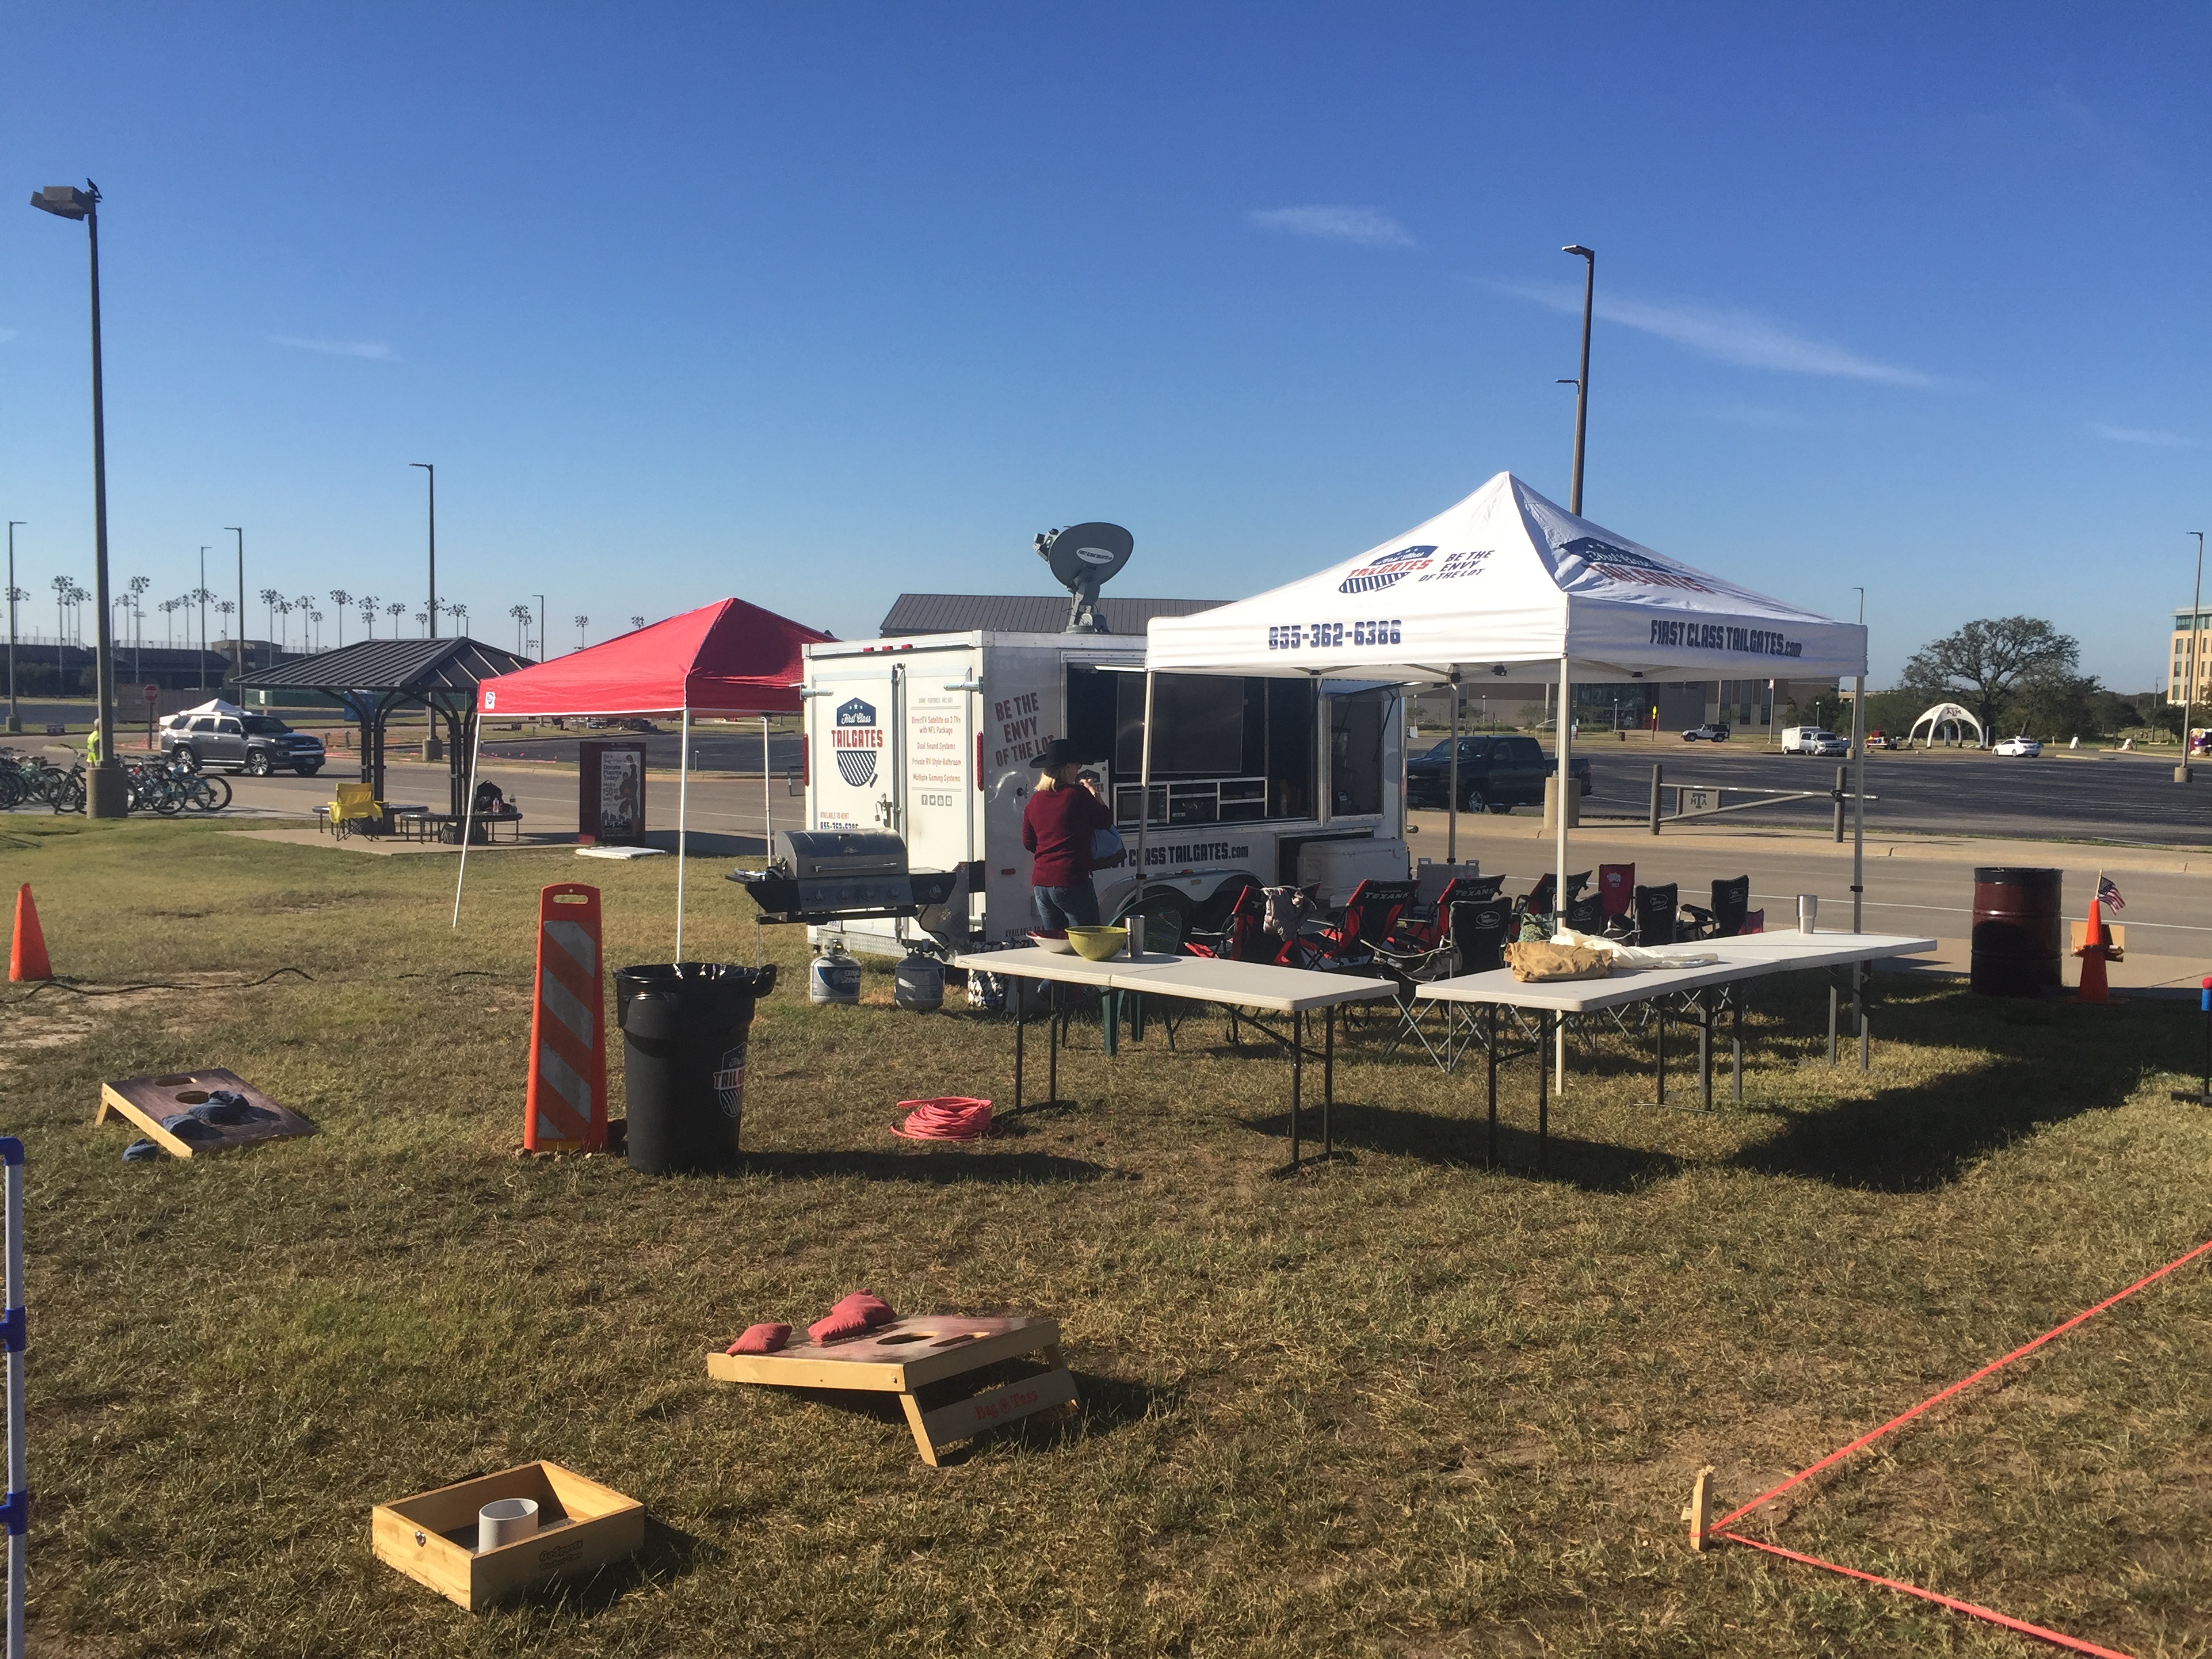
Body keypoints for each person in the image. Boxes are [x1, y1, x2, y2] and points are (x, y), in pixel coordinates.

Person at [1022, 737, 1113, 931]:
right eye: (1077, 765)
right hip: (1072, 879)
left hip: (1041, 883)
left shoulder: (1035, 800)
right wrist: (1095, 794)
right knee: (1090, 939)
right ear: (1067, 767)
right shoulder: (1077, 794)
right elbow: (1105, 821)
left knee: (1056, 945)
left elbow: (1029, 842)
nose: (1078, 769)